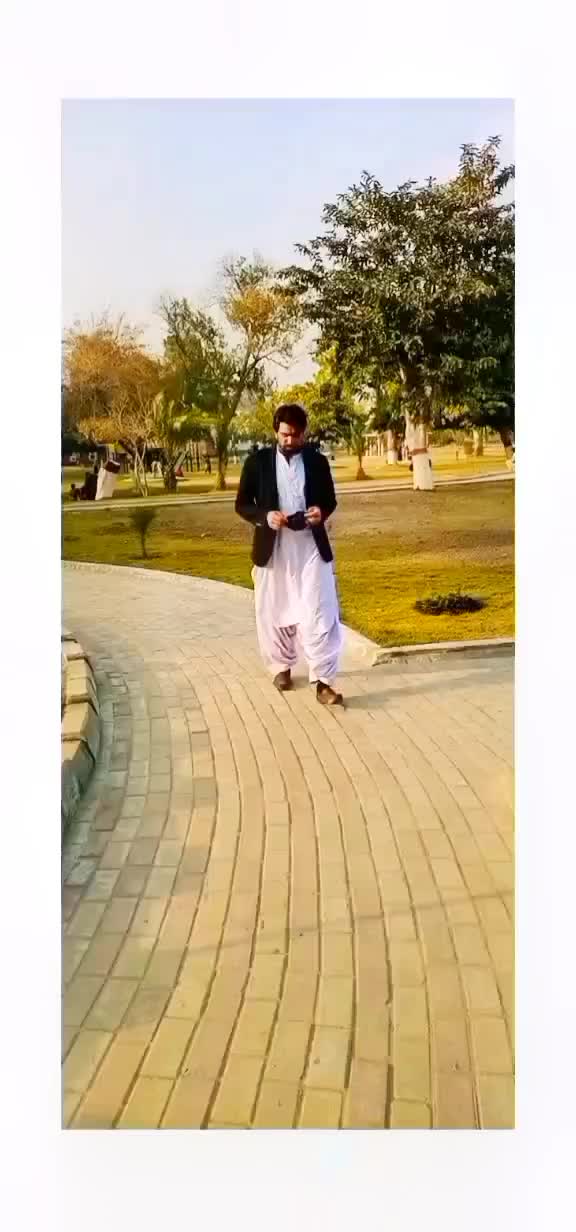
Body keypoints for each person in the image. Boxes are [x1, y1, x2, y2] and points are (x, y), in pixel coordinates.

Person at [235, 402, 344, 706]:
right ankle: (281, 667)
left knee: (320, 610)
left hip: (311, 546)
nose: (290, 440)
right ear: (275, 431)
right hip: (274, 547)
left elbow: (330, 500)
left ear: (304, 433)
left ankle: (323, 681)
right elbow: (242, 504)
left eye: (296, 435)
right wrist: (265, 516)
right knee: (274, 607)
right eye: (285, 434)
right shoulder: (257, 463)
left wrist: (320, 512)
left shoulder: (317, 462)